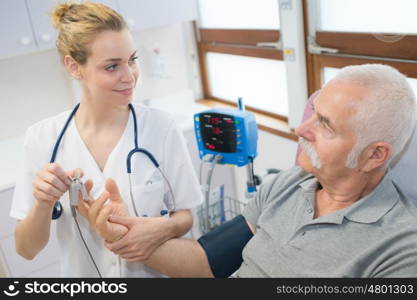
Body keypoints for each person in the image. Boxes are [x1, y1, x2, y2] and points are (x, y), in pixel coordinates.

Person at [88, 63, 417, 277]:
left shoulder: (401, 248)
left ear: (374, 155)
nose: (301, 129)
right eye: (313, 113)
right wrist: (124, 235)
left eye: (326, 126)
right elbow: (205, 262)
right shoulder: (285, 186)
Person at [10, 2, 202, 277]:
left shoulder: (162, 127)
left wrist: (164, 228)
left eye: (132, 60)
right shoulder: (43, 139)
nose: (130, 77)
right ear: (74, 67)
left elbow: (185, 216)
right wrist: (42, 203)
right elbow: (26, 249)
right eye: (112, 67)